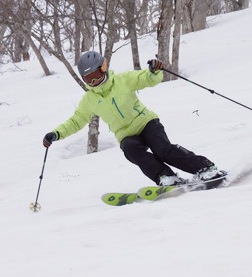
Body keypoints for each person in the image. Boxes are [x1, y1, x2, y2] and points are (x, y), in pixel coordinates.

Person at [42, 51, 225, 187]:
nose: (94, 81)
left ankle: (206, 168)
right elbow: (76, 121)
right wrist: (56, 134)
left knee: (163, 150)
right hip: (126, 134)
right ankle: (166, 177)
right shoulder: (89, 100)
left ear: (103, 68)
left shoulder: (123, 80)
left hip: (146, 122)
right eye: (89, 79)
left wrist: (153, 71)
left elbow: (146, 79)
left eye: (96, 75)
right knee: (130, 150)